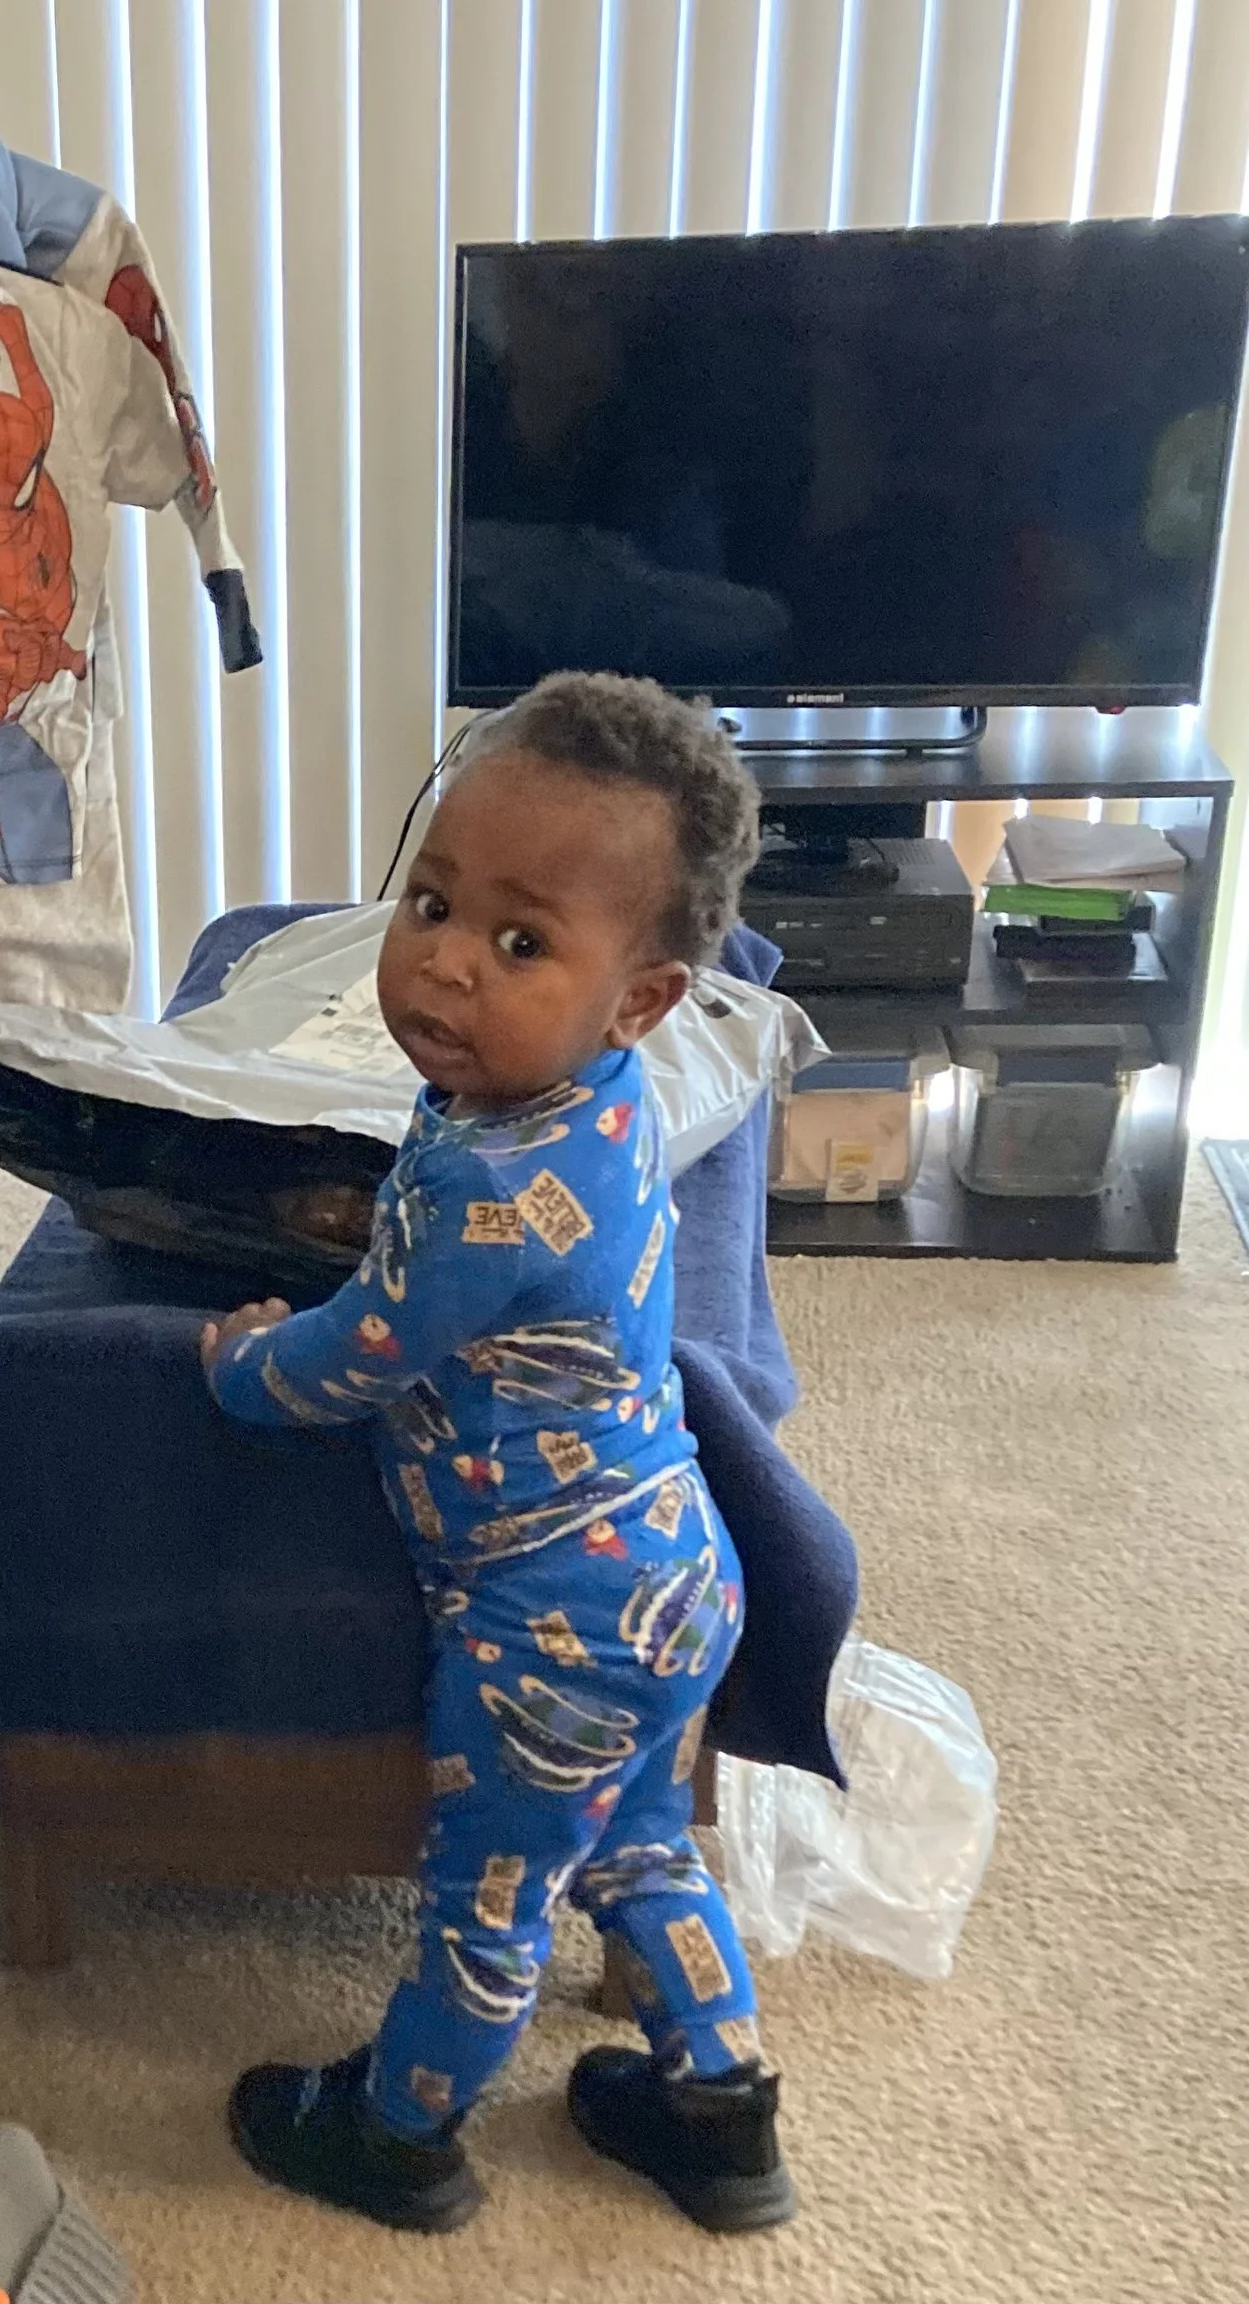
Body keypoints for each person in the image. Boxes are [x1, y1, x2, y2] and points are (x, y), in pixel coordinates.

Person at [199, 673, 797, 2236]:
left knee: (492, 1892)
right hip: (673, 1571)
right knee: (642, 1836)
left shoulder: (491, 1197)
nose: (446, 963)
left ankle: (402, 2133)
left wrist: (240, 1363)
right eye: (433, 901)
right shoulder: (593, 1107)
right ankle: (719, 2104)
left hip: (549, 1625)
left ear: (643, 998)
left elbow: (358, 1358)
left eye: (520, 943)